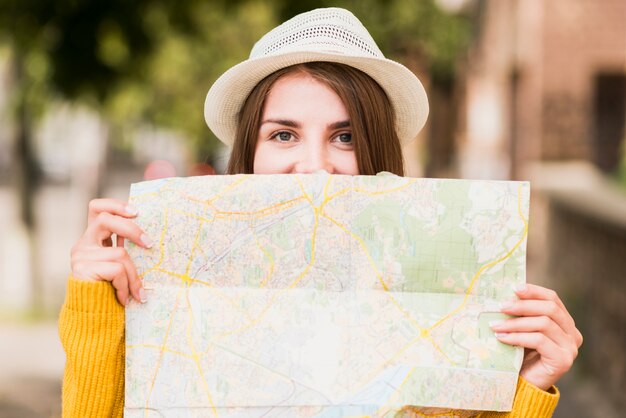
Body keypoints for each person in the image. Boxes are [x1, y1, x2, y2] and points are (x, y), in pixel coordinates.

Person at [60, 7, 582, 417]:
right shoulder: (159, 285)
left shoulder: (444, 300)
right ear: (250, 153)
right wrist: (94, 309)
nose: (314, 167)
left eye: (346, 136)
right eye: (283, 134)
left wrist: (527, 388)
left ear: (379, 153)